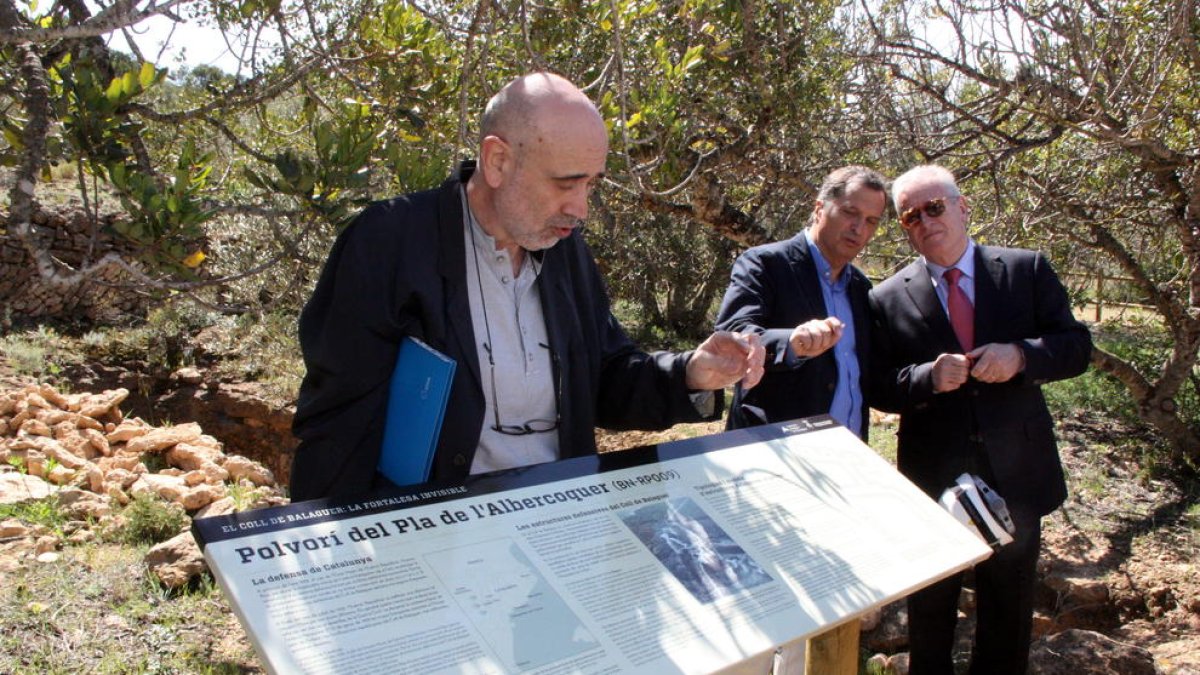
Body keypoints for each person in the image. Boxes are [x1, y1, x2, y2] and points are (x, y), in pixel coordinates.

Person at [289, 72, 764, 502]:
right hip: (435, 536)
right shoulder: (390, 242)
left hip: (556, 524)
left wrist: (692, 373)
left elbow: (603, 379)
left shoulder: (566, 251)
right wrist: (334, 556)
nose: (581, 210)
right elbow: (339, 422)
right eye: (566, 184)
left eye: (591, 186)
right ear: (497, 161)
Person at [868, 165, 1092, 674]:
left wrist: (1020, 356)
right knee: (930, 608)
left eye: (934, 207)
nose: (924, 221)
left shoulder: (1024, 269)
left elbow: (1076, 347)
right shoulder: (885, 297)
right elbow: (880, 386)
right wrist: (925, 376)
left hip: (1016, 468)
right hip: (932, 476)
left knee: (1008, 608)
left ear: (962, 206)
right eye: (910, 216)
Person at [714, 165, 887, 438]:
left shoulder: (861, 287)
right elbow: (734, 332)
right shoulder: (765, 264)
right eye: (850, 213)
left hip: (849, 456)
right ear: (819, 208)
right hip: (775, 453)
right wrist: (792, 343)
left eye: (871, 221)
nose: (858, 228)